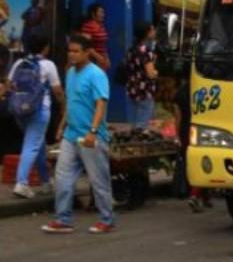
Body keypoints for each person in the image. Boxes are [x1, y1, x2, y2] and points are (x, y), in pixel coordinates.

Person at [42, 35, 115, 235]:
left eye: (76, 51)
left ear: (87, 52)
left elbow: (101, 104)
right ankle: (63, 219)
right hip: (71, 134)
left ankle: (107, 219)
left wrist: (93, 131)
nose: (71, 55)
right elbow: (70, 102)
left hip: (91, 137)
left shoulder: (97, 75)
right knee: (62, 177)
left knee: (98, 180)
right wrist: (61, 125)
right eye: (70, 51)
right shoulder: (70, 73)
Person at [6, 34, 64, 198]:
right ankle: (22, 183)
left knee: (38, 143)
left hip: (20, 112)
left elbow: (9, 85)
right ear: (45, 48)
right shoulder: (48, 65)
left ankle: (45, 181)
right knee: (32, 145)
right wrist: (64, 106)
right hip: (39, 110)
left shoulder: (19, 63)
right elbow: (57, 91)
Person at [171, 78, 212, 213]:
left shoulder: (179, 94)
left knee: (192, 164)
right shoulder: (205, 90)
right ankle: (196, 195)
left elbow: (178, 117)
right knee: (205, 163)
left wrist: (177, 135)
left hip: (186, 132)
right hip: (202, 130)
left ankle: (203, 196)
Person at [125, 22, 159, 128]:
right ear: (147, 33)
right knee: (142, 123)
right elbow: (150, 73)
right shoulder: (146, 51)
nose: (154, 32)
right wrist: (156, 72)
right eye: (152, 30)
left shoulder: (132, 49)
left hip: (132, 88)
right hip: (144, 90)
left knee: (134, 121)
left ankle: (133, 136)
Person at [79, 3, 110, 71]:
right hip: (91, 60)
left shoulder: (101, 26)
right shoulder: (88, 26)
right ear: (93, 14)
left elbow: (103, 45)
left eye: (103, 12)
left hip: (101, 60)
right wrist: (98, 57)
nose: (103, 15)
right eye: (100, 12)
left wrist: (106, 58)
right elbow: (86, 45)